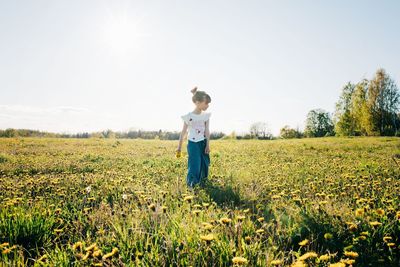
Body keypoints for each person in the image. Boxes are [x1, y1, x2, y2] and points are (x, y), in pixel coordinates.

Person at [176, 87, 212, 188]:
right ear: (197, 102)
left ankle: (203, 183)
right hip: (192, 143)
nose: (207, 105)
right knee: (195, 164)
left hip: (203, 142)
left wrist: (208, 145)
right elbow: (183, 132)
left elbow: (207, 131)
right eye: (206, 103)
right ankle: (192, 185)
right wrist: (179, 147)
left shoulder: (206, 116)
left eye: (208, 103)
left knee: (204, 164)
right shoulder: (189, 116)